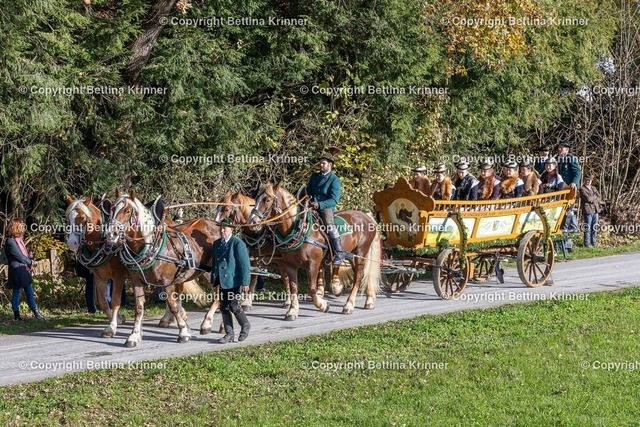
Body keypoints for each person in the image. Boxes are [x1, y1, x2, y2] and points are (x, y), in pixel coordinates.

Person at [211, 217, 251, 344]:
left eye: (225, 228)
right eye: (221, 228)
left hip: (235, 281)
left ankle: (245, 325)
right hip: (222, 282)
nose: (222, 230)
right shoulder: (217, 244)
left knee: (233, 305)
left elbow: (245, 265)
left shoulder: (238, 244)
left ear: (231, 229)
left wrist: (245, 282)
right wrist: (213, 280)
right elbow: (215, 264)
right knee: (224, 307)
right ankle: (229, 334)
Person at [306, 152, 351, 265]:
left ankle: (339, 253)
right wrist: (307, 199)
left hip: (326, 207)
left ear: (330, 164)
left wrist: (319, 204)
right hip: (311, 205)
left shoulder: (334, 179)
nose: (321, 165)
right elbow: (308, 191)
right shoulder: (314, 176)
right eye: (320, 163)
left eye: (323, 163)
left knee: (329, 225)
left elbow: (334, 199)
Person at [4, 219, 46, 321]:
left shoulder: (18, 240)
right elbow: (19, 256)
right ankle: (17, 316)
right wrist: (31, 262)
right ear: (15, 227)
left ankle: (36, 313)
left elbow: (23, 256)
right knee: (17, 292)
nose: (23, 228)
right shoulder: (10, 241)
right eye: (21, 226)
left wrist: (29, 258)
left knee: (29, 292)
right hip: (17, 270)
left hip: (23, 269)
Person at [579, 173, 602, 247]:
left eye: (590, 180)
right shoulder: (582, 189)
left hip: (595, 209)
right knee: (587, 227)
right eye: (587, 180)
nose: (589, 181)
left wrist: (594, 198)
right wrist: (595, 196)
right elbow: (588, 199)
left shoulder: (593, 188)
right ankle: (587, 243)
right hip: (588, 210)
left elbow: (599, 197)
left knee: (594, 227)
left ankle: (594, 242)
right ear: (584, 180)